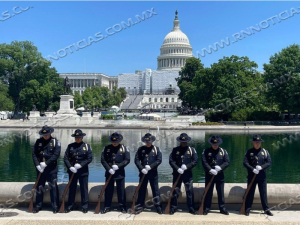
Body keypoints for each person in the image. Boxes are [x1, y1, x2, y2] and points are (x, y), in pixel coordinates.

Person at [32, 125, 61, 213]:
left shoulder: (56, 142)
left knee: (53, 187)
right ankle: (38, 205)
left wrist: (46, 163)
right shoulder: (38, 142)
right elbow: (34, 154)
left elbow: (56, 155)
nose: (46, 136)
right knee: (39, 187)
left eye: (47, 134)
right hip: (40, 168)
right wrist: (37, 165)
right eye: (44, 135)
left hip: (51, 169)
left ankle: (55, 206)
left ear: (50, 133)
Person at [63, 129, 93, 213]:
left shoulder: (87, 146)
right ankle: (70, 205)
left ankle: (85, 206)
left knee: (84, 189)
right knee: (72, 188)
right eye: (76, 137)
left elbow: (89, 158)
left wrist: (81, 165)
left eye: (79, 137)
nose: (78, 139)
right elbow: (65, 158)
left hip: (83, 171)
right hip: (72, 171)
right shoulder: (70, 146)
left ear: (82, 137)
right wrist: (70, 167)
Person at [243, 134, 273, 216]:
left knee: (263, 193)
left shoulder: (264, 152)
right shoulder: (249, 152)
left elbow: (269, 162)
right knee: (250, 193)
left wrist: (261, 167)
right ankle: (247, 209)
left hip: (262, 177)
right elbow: (245, 163)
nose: (257, 144)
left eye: (259, 142)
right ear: (253, 143)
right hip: (252, 176)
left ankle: (266, 209)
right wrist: (252, 169)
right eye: (256, 142)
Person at [101, 132, 130, 214]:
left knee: (121, 191)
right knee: (108, 190)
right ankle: (107, 206)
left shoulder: (124, 148)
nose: (115, 143)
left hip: (119, 172)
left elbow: (127, 160)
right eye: (113, 142)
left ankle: (122, 207)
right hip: (109, 172)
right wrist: (108, 169)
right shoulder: (106, 148)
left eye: (116, 141)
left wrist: (119, 166)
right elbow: (103, 160)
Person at [169, 133, 198, 215]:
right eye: (182, 142)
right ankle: (173, 207)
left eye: (185, 142)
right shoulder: (175, 150)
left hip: (187, 174)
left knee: (189, 191)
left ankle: (191, 208)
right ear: (180, 142)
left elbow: (195, 161)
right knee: (175, 190)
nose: (183, 143)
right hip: (177, 173)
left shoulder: (192, 150)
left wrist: (187, 166)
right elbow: (171, 161)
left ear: (187, 141)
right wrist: (177, 168)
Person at [134, 133, 163, 214]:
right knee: (142, 190)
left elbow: (159, 160)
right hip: (143, 173)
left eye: (149, 142)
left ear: (152, 141)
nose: (148, 143)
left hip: (153, 173)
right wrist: (141, 168)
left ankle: (158, 206)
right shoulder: (140, 149)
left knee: (155, 190)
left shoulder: (156, 149)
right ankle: (139, 206)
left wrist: (151, 166)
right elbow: (136, 160)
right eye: (146, 142)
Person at [201, 135, 230, 215]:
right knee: (208, 192)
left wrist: (220, 168)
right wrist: (210, 169)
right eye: (214, 144)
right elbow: (204, 162)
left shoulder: (223, 151)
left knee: (220, 193)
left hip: (219, 175)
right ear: (211, 143)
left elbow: (227, 162)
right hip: (209, 175)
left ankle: (222, 208)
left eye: (217, 144)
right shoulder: (206, 151)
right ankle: (206, 208)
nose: (215, 145)